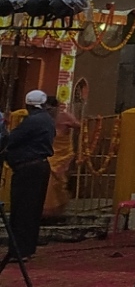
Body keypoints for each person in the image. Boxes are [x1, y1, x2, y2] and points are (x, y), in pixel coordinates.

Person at [4, 90, 56, 260]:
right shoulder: (46, 119)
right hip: (40, 166)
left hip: (28, 168)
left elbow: (12, 139)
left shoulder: (33, 121)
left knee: (22, 210)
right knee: (32, 210)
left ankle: (19, 251)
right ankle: (27, 248)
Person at [42, 97, 82, 218]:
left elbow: (79, 126)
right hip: (49, 153)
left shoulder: (65, 116)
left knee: (58, 181)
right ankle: (45, 210)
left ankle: (56, 210)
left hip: (62, 154)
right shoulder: (43, 118)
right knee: (47, 179)